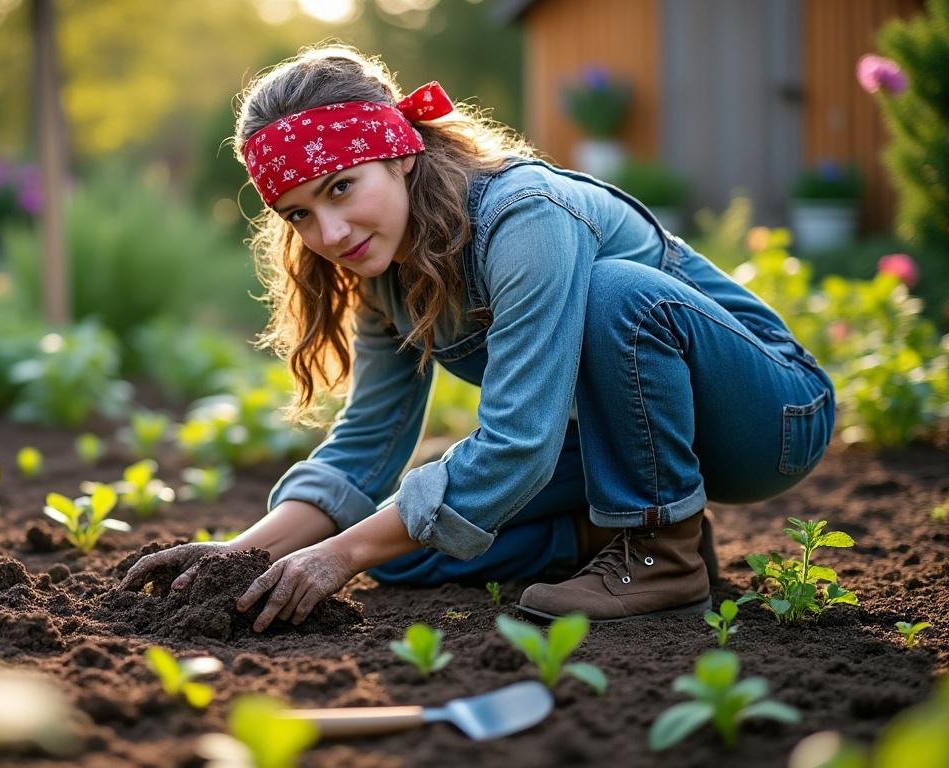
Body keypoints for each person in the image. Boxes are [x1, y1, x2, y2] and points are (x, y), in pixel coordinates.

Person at [119, 44, 835, 630]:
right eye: (299, 213)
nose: (328, 234)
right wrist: (238, 557)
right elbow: (366, 444)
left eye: (341, 187)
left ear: (400, 153)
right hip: (623, 441)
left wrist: (337, 557)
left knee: (619, 294)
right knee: (394, 545)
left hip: (768, 420)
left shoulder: (525, 219)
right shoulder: (384, 272)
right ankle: (604, 535)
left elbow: (520, 442)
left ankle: (664, 556)